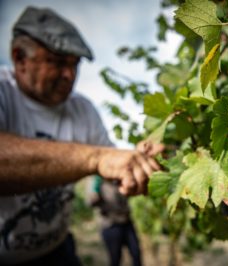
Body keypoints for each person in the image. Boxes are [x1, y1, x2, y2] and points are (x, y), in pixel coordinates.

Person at [0, 6, 162, 266]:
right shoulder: (3, 93)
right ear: (19, 58)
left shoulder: (83, 109)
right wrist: (95, 158)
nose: (69, 75)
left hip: (58, 250)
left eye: (75, 65)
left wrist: (138, 161)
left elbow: (110, 161)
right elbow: (98, 158)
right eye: (58, 62)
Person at [89, 175, 142, 266]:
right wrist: (95, 192)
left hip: (126, 222)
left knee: (136, 253)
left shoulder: (119, 177)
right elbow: (90, 202)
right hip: (110, 225)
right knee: (115, 258)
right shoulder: (97, 180)